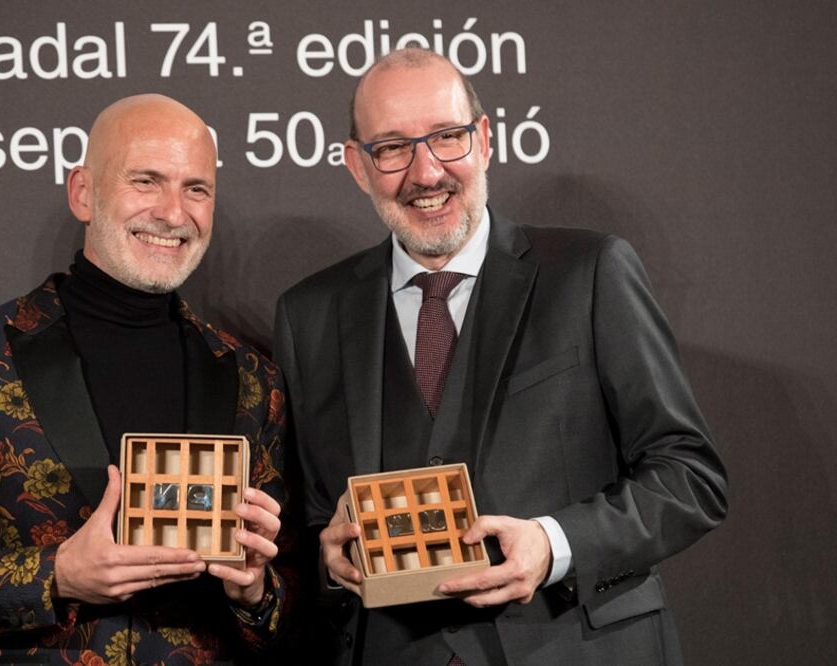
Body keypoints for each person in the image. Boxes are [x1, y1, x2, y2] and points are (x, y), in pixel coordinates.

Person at [272, 48, 727, 665]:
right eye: (392, 148)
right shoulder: (310, 314)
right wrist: (328, 555)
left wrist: (552, 543)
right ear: (358, 165)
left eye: (447, 137)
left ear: (484, 140)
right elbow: (317, 515)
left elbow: (689, 476)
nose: (426, 172)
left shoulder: (590, 273)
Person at [0, 94, 288, 664]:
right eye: (146, 181)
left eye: (196, 189)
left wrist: (254, 590)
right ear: (84, 192)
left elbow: (284, 615)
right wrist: (56, 575)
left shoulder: (254, 378)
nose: (173, 212)